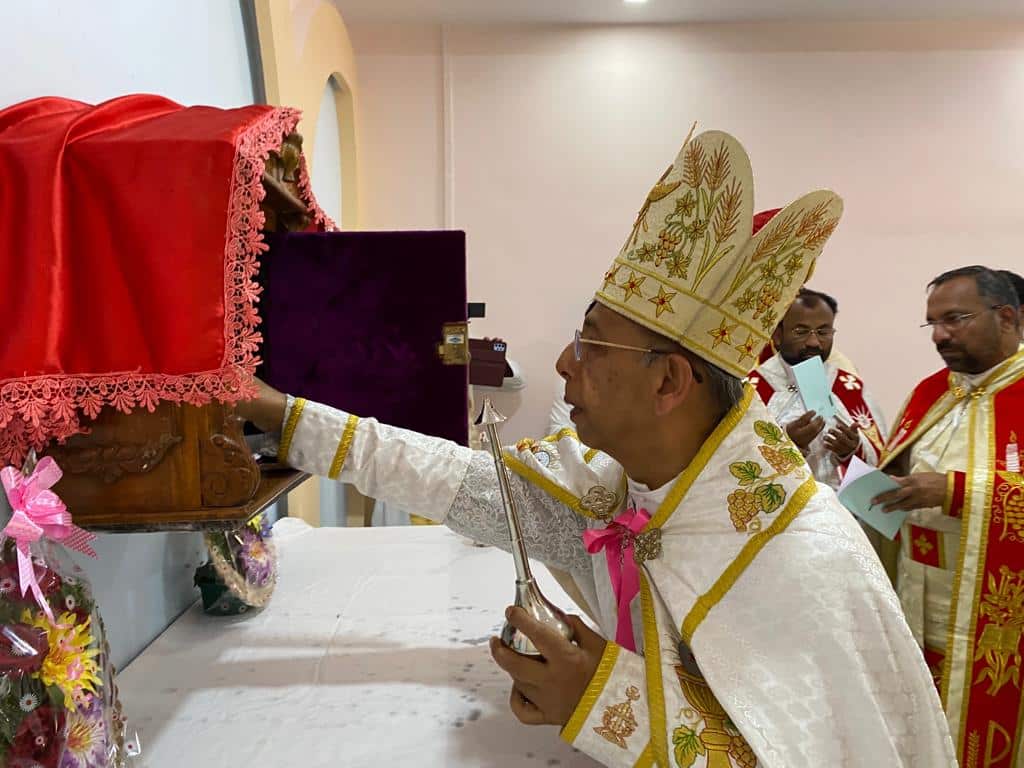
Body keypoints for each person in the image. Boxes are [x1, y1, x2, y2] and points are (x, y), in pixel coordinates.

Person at [238, 129, 954, 766]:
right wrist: (281, 413)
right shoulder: (622, 485)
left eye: (589, 346)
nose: (562, 367)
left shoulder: (804, 561)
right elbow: (452, 480)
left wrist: (599, 701)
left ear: (669, 381)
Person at [875, 265, 1023, 767]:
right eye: (932, 323)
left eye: (955, 319)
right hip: (915, 606)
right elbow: (893, 469)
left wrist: (956, 491)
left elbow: (951, 488)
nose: (940, 335)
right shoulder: (930, 391)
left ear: (1006, 317)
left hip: (997, 626)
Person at [749, 288, 887, 492]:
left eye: (823, 332)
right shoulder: (752, 388)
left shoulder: (848, 385)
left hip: (840, 513)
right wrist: (787, 444)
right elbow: (731, 458)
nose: (814, 342)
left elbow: (883, 456)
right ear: (777, 335)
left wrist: (852, 449)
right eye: (801, 332)